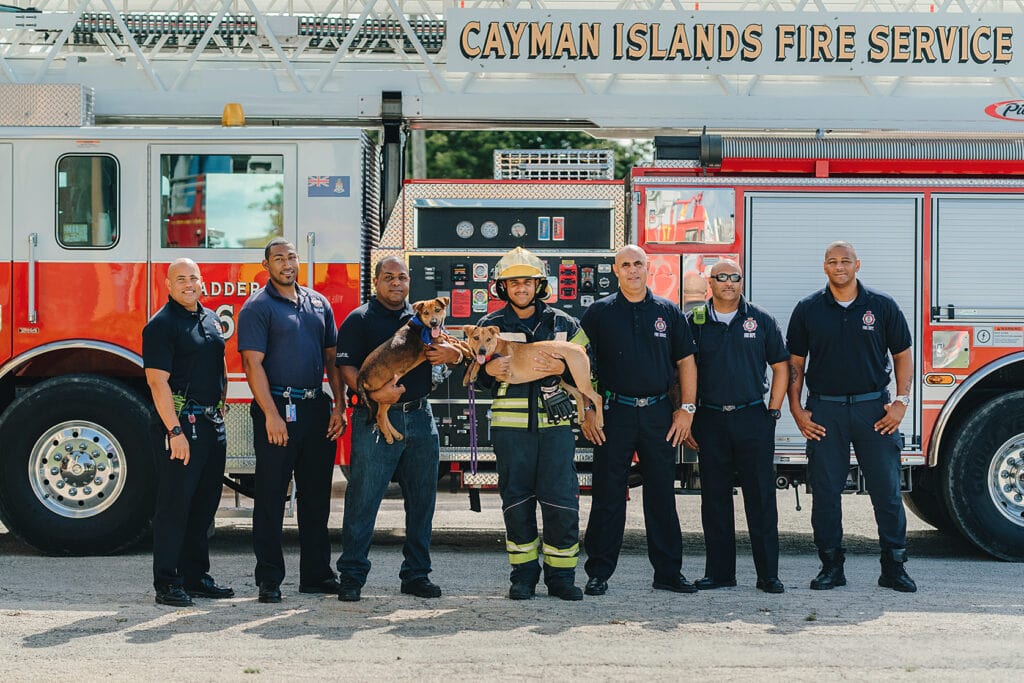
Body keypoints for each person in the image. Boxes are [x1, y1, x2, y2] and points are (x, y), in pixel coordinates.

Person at [787, 241, 917, 593]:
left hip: (873, 410)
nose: (839, 266)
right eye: (833, 261)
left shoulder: (882, 306)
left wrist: (902, 402)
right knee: (826, 493)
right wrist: (797, 410)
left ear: (858, 264)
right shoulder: (808, 309)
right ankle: (831, 567)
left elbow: (903, 356)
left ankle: (894, 568)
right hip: (825, 411)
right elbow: (795, 364)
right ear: (824, 266)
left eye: (846, 260)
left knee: (887, 492)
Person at [335, 256, 464, 602]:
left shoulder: (425, 318)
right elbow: (345, 368)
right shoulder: (360, 319)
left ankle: (416, 575)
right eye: (389, 277)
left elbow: (451, 353)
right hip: (376, 418)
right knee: (363, 499)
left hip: (421, 417)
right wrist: (375, 395)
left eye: (402, 277)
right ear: (376, 282)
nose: (396, 283)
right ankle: (351, 576)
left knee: (422, 502)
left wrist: (453, 355)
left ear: (410, 283)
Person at [580, 244, 699, 596]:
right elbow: (580, 364)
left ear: (649, 268)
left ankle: (667, 573)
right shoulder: (599, 313)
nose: (633, 270)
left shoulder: (668, 311)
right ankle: (598, 572)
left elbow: (687, 362)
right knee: (608, 494)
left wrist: (687, 409)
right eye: (625, 265)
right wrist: (587, 409)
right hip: (613, 413)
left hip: (658, 413)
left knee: (661, 495)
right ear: (616, 271)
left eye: (638, 264)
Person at [474, 247, 589, 601]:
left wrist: (562, 369)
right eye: (513, 282)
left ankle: (562, 578)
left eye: (527, 281)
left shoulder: (564, 325)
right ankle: (523, 577)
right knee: (516, 503)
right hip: (511, 432)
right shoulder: (489, 326)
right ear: (501, 288)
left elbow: (588, 368)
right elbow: (475, 379)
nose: (520, 287)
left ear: (539, 285)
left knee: (561, 503)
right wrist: (487, 371)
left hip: (555, 429)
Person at [237, 238, 347, 604]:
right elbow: (252, 364)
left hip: (316, 409)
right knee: (271, 498)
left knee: (317, 499)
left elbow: (332, 359)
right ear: (266, 265)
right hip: (278, 411)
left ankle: (316, 575)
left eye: (291, 256)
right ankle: (269, 580)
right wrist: (271, 414)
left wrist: (339, 406)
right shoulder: (257, 307)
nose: (287, 263)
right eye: (278, 258)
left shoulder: (319, 303)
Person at [686, 260, 788, 594]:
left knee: (760, 499)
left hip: (752, 418)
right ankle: (720, 573)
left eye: (735, 277)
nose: (729, 283)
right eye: (722, 277)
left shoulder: (760, 320)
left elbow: (781, 367)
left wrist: (772, 413)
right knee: (714, 500)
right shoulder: (694, 322)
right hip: (710, 419)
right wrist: (685, 413)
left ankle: (768, 575)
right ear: (709, 283)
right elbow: (681, 369)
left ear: (741, 282)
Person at [143, 258, 234, 607]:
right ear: (168, 285)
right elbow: (157, 381)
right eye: (180, 279)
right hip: (182, 427)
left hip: (211, 424)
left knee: (204, 505)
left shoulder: (210, 319)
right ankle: (167, 582)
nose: (188, 284)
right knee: (174, 506)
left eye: (193, 278)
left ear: (201, 281)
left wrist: (221, 403)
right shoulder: (161, 326)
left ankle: (196, 577)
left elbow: (219, 361)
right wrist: (174, 431)